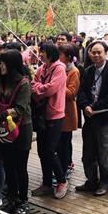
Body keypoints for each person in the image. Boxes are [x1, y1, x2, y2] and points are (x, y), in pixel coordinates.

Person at [0, 50, 33, 214]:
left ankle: (23, 202)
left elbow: (20, 108)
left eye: (3, 63)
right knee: (8, 166)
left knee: (20, 167)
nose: (1, 66)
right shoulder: (0, 81)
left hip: (21, 129)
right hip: (3, 130)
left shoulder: (23, 83)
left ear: (12, 65)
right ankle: (12, 199)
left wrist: (1, 116)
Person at [76, 41, 108, 195]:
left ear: (106, 53)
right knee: (88, 152)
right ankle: (91, 181)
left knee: (103, 152)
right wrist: (85, 105)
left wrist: (92, 107)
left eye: (99, 52)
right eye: (93, 52)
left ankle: (105, 183)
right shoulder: (87, 71)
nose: (96, 55)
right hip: (89, 118)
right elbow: (80, 92)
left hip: (104, 118)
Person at [30, 42, 68, 199]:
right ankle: (46, 183)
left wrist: (39, 88)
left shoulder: (59, 69)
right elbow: (33, 85)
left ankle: (61, 180)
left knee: (50, 150)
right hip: (41, 115)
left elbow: (51, 88)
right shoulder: (41, 68)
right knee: (41, 151)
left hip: (55, 114)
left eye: (43, 51)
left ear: (50, 52)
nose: (40, 54)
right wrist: (41, 88)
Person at [57, 43, 80, 178]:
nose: (58, 57)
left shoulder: (74, 71)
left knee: (64, 144)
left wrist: (59, 82)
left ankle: (64, 170)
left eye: (61, 55)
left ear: (69, 57)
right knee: (59, 144)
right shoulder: (59, 69)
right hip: (57, 110)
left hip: (67, 112)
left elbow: (71, 93)